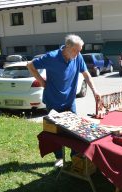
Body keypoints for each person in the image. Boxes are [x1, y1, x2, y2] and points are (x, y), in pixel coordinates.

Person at [27, 34, 100, 167]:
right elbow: (30, 65)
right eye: (77, 50)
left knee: (75, 130)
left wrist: (95, 91)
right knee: (56, 132)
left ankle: (74, 156)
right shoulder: (52, 57)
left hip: (69, 102)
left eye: (80, 50)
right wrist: (42, 82)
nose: (79, 53)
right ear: (68, 47)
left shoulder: (78, 57)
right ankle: (59, 157)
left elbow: (86, 75)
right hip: (53, 101)